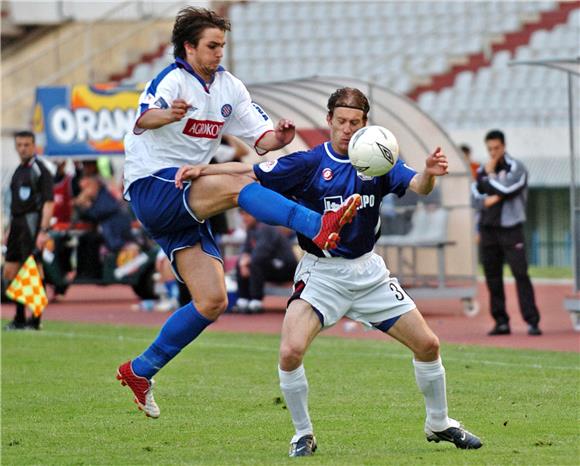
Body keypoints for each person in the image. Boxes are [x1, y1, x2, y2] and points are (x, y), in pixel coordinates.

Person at [179, 88, 482, 455]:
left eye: (355, 122)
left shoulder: (379, 157)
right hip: (321, 274)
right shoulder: (308, 164)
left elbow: (417, 184)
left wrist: (430, 174)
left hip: (369, 273)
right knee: (290, 351)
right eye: (340, 121)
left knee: (429, 344)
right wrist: (205, 169)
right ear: (329, 121)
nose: (347, 129)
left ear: (365, 124)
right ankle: (303, 434)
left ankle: (439, 423)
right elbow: (252, 171)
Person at [116, 7, 361, 418]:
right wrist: (169, 114)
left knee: (212, 300)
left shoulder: (230, 87)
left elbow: (260, 138)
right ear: (189, 47)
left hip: (189, 200)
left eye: (222, 46)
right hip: (153, 184)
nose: (219, 53)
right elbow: (144, 116)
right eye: (211, 46)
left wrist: (278, 137)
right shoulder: (172, 80)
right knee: (239, 184)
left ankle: (141, 370)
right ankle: (316, 226)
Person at [475, 130, 541, 336]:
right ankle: (501, 321)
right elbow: (475, 197)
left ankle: (532, 321)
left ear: (503, 146)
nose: (493, 153)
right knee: (492, 276)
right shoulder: (481, 169)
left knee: (520, 274)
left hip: (511, 229)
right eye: (489, 149)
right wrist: (492, 192)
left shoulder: (516, 167)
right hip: (488, 229)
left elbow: (506, 189)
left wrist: (490, 181)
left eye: (496, 148)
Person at [3, 131, 54, 330]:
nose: (23, 148)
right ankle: (19, 318)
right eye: (20, 145)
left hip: (32, 225)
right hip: (16, 226)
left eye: (26, 144)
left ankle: (35, 319)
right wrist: (8, 230)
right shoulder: (18, 171)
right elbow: (14, 203)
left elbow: (49, 202)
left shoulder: (41, 170)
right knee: (10, 271)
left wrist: (43, 230)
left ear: (34, 146)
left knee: (32, 271)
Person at [234, 210, 298, 314]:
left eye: (247, 215)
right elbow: (246, 250)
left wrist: (245, 262)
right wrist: (242, 262)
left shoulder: (266, 227)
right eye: (242, 215)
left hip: (285, 268)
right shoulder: (251, 230)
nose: (244, 218)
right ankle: (244, 299)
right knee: (241, 262)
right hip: (270, 266)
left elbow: (261, 253)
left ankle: (256, 301)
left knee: (255, 262)